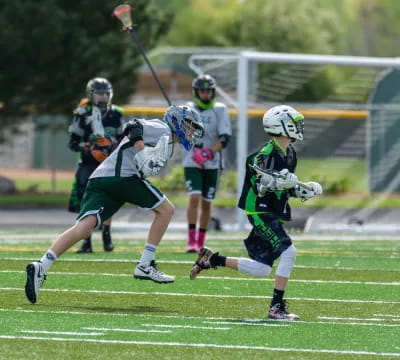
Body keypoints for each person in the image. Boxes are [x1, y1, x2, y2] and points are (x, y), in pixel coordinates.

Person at [25, 104, 204, 304]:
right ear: (177, 122)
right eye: (189, 125)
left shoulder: (169, 143)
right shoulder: (162, 129)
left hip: (101, 178)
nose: (191, 131)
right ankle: (145, 264)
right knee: (166, 210)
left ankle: (42, 264)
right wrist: (141, 150)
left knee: (84, 228)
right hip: (122, 177)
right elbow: (132, 126)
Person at [189, 105, 322, 320]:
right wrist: (279, 181)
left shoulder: (290, 154)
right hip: (259, 210)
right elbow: (262, 184)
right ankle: (276, 308)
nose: (298, 126)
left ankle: (211, 259)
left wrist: (303, 189)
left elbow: (285, 187)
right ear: (282, 126)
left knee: (262, 269)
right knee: (289, 253)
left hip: (272, 209)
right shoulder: (264, 155)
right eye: (294, 123)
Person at [67, 77, 124, 253]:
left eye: (105, 94)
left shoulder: (116, 114)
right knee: (87, 204)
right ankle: (87, 241)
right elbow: (72, 143)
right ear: (91, 95)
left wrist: (111, 145)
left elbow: (123, 139)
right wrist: (90, 148)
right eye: (99, 94)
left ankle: (107, 236)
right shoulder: (82, 115)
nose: (102, 97)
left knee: (109, 199)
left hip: (108, 164)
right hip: (88, 164)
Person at [182, 74, 232, 253]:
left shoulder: (220, 109)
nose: (205, 94)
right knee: (194, 196)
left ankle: (201, 240)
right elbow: (182, 134)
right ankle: (191, 240)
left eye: (208, 91)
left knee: (207, 202)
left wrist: (208, 152)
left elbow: (225, 138)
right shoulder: (187, 108)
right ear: (196, 92)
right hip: (191, 162)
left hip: (212, 163)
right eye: (202, 90)